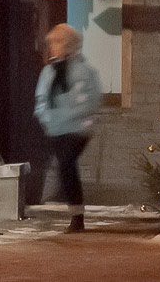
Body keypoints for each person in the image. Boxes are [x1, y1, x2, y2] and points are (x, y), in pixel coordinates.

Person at [35, 23, 101, 233]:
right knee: (65, 168)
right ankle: (75, 214)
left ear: (69, 44)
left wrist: (67, 116)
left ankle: (77, 217)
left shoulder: (82, 71)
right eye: (52, 43)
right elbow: (41, 98)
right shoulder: (49, 72)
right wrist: (46, 118)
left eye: (56, 42)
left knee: (66, 163)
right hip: (55, 129)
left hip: (76, 129)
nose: (52, 47)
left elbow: (88, 101)